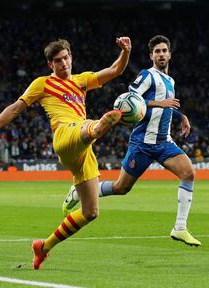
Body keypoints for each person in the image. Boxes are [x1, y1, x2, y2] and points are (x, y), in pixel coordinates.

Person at [0, 37, 132, 269]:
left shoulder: (82, 81)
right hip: (65, 137)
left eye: (66, 58)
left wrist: (126, 51)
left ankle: (43, 247)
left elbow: (116, 69)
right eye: (57, 61)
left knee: (91, 212)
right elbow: (15, 108)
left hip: (84, 151)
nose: (63, 63)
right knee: (87, 127)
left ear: (71, 57)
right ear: (50, 65)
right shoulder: (42, 84)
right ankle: (98, 126)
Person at [63, 35, 201, 247]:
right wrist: (160, 103)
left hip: (164, 142)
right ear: (151, 56)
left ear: (170, 54)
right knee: (121, 187)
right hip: (142, 144)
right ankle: (79, 191)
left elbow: (166, 108)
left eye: (164, 51)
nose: (161, 54)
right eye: (157, 51)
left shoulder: (170, 81)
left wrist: (180, 116)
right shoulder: (147, 75)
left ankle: (180, 228)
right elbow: (129, 100)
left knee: (189, 173)